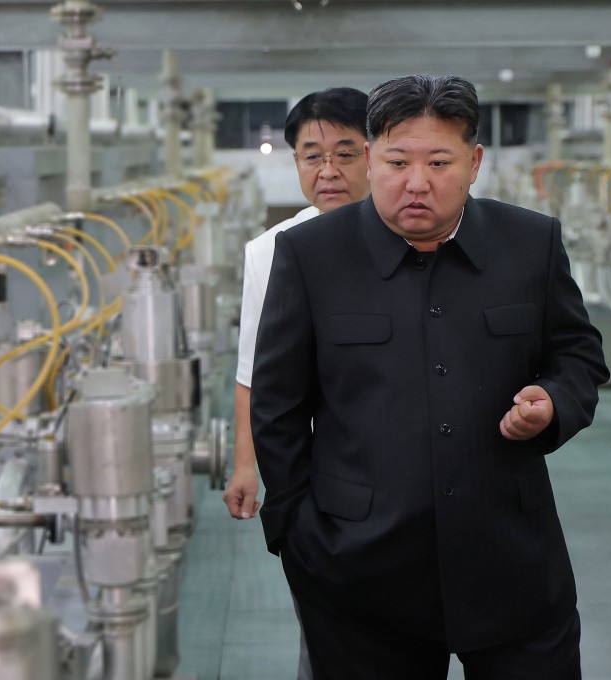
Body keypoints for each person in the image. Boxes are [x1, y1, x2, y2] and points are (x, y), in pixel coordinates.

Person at [250, 74, 610, 680]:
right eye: (397, 161)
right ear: (371, 158)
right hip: (358, 571)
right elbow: (278, 403)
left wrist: (553, 400)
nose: (417, 183)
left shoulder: (531, 244)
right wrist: (294, 531)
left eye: (439, 162)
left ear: (473, 163)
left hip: (511, 558)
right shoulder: (312, 255)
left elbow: (578, 354)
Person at [223, 87, 370, 680]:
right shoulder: (271, 250)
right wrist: (244, 464)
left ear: (375, 153)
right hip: (322, 473)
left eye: (344, 152)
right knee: (330, 631)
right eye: (312, 155)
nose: (327, 170)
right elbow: (254, 368)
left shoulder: (414, 231)